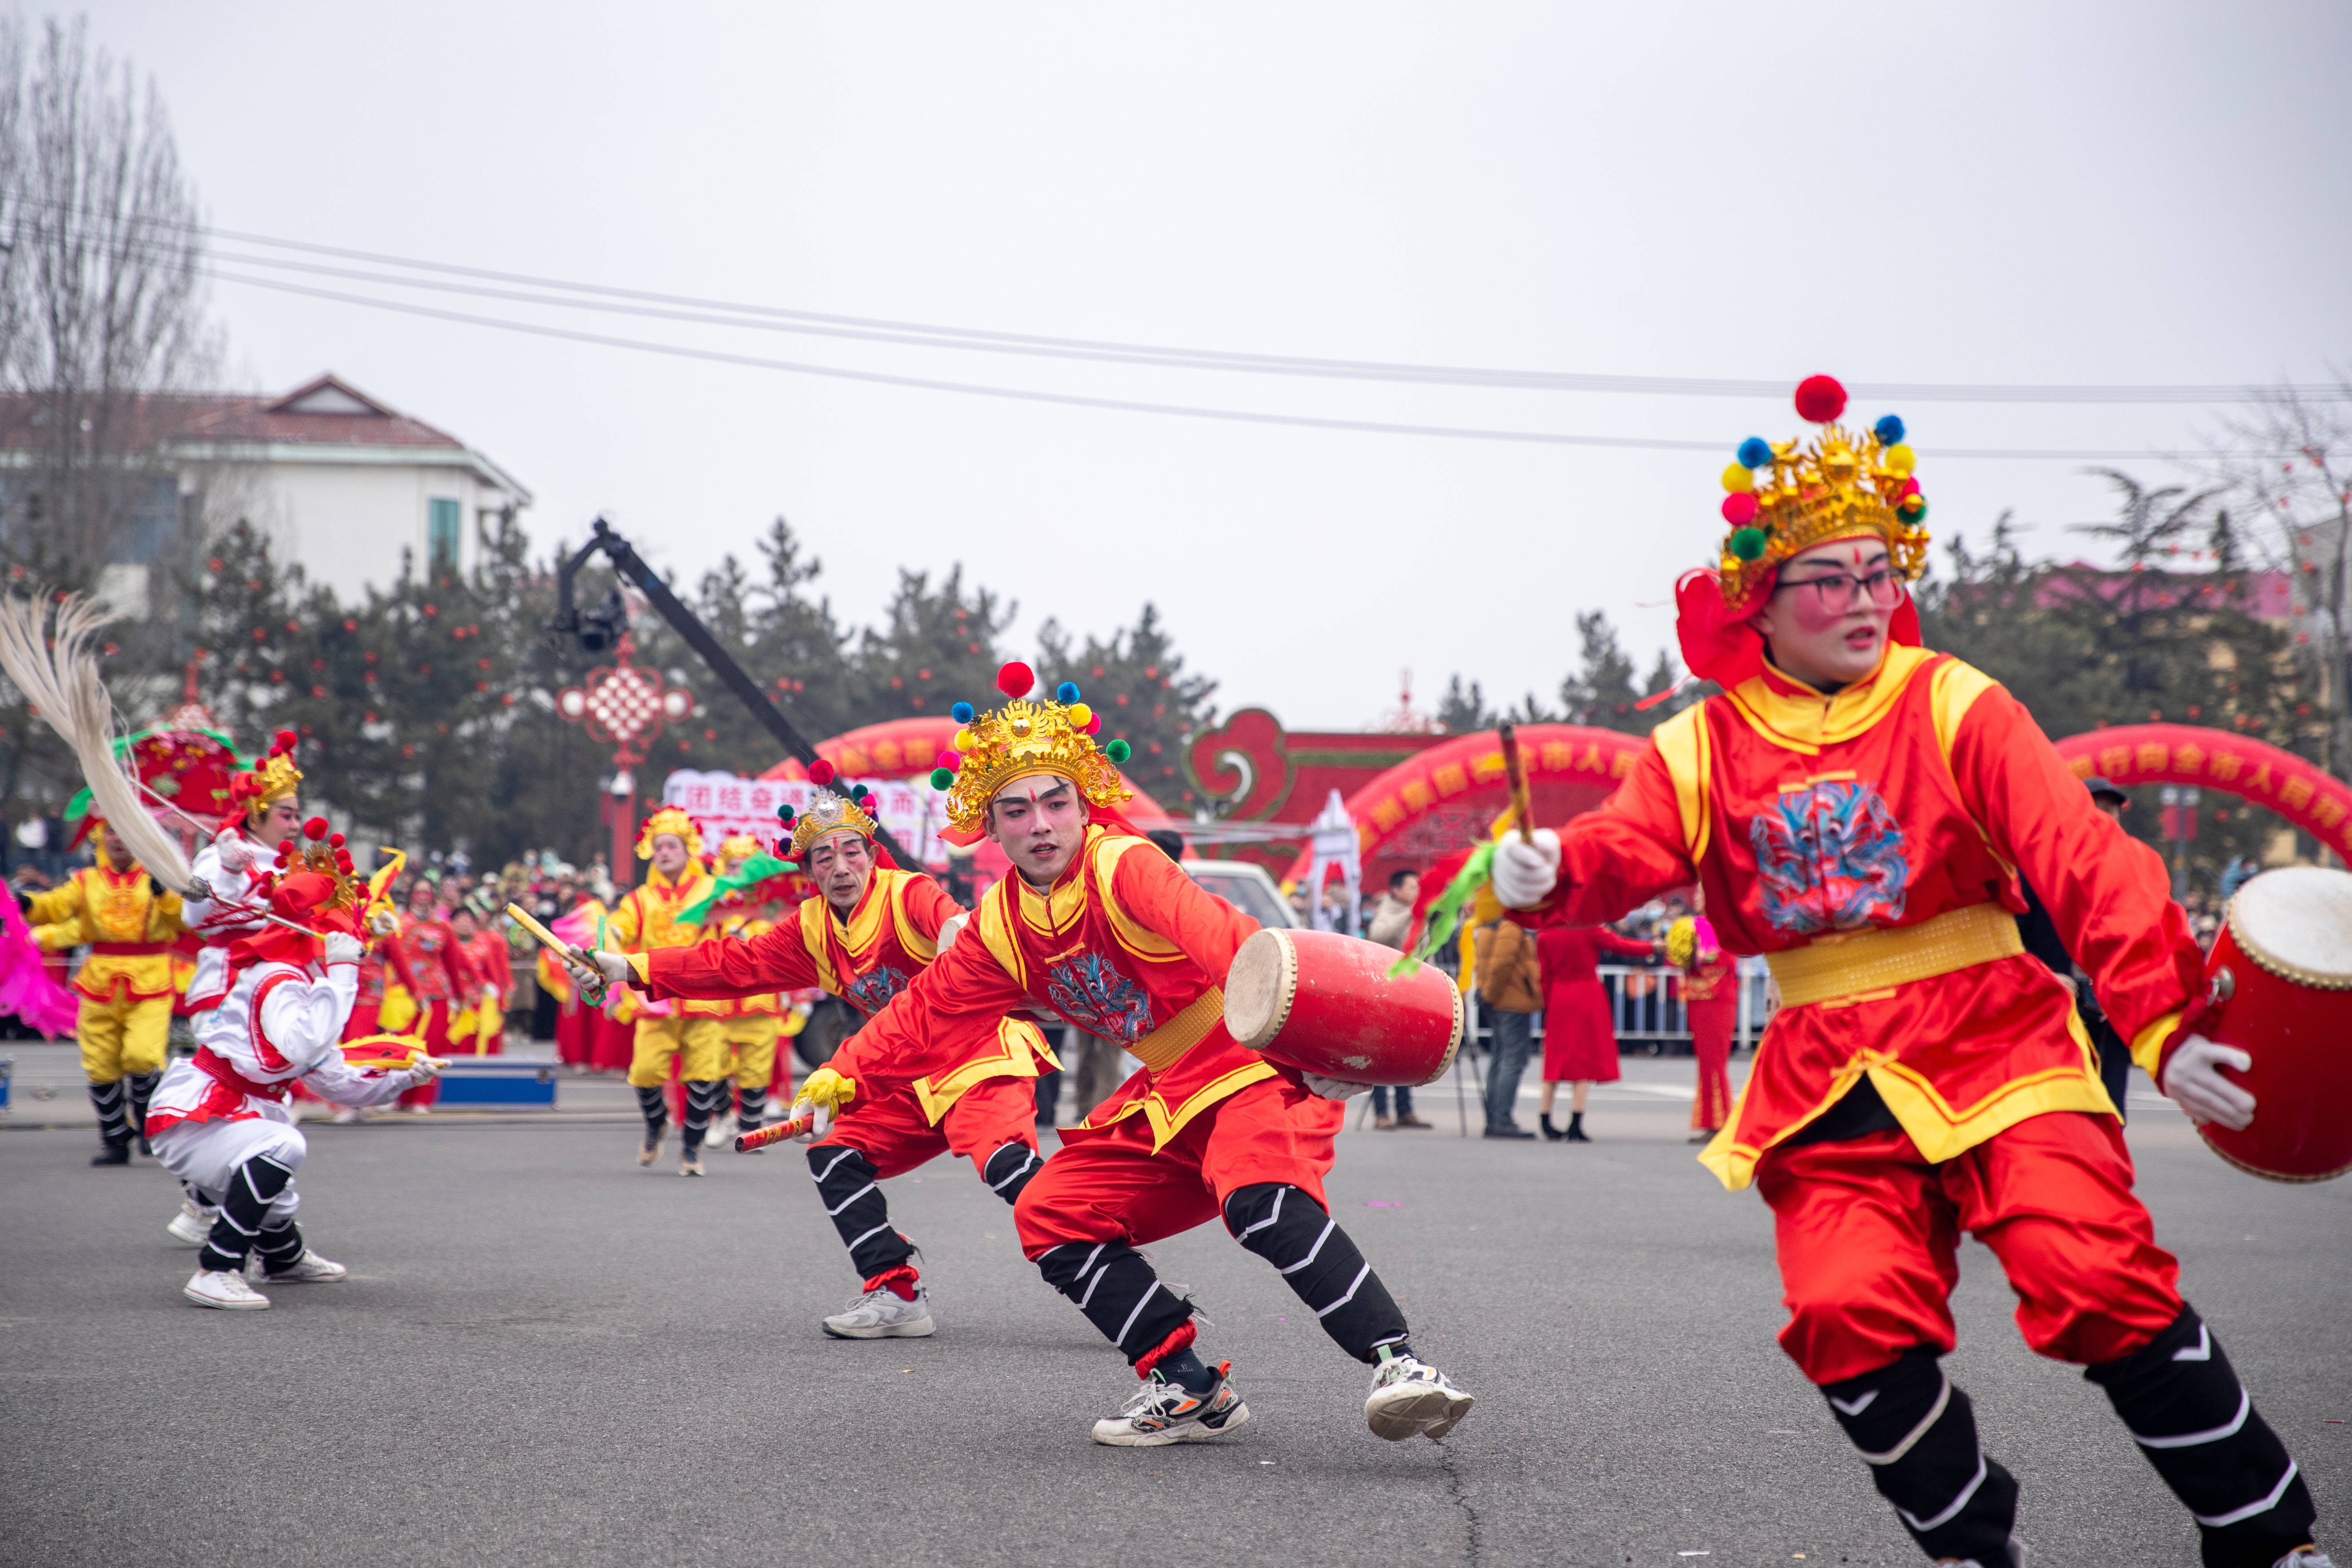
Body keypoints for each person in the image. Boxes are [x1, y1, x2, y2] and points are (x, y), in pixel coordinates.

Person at [1490, 377, 2326, 1568]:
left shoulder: (1953, 704)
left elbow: (2080, 855)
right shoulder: (1700, 747)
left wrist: (2162, 1020)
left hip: (1996, 1036)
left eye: (1877, 571)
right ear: (1758, 601)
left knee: (2089, 1273)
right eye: (1826, 576)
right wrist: (1547, 868)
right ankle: (1967, 1543)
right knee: (1841, 1314)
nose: (1861, 599)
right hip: (1825, 1075)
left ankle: (2264, 1537)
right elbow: (1618, 851)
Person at [829, 666, 1472, 1447]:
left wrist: (1308, 1033)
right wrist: (837, 1077)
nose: (1041, 824)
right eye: (1017, 809)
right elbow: (921, 1013)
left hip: (1246, 1060)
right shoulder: (998, 925)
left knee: (1257, 1198)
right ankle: (1188, 1386)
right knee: (1049, 1210)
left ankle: (1401, 1366)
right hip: (1169, 1086)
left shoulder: (1124, 865)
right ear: (990, 828)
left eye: (1056, 802)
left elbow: (1231, 945)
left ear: (1083, 805)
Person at [581, 767, 1054, 1336]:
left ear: (871, 855)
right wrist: (629, 968)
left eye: (851, 851)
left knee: (1008, 1168)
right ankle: (895, 1293)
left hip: (979, 1057)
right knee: (834, 1154)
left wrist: (959, 931)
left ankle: (1115, 1264)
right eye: (823, 858)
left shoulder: (907, 892)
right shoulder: (810, 928)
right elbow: (730, 964)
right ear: (807, 872)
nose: (840, 867)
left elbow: (949, 918)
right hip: (902, 1074)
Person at [146, 829, 443, 1309]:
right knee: (282, 1146)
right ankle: (216, 1267)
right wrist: (344, 976)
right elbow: (307, 1044)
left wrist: (405, 1077)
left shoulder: (301, 978)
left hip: (234, 1113)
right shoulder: (279, 978)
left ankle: (281, 1257)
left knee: (279, 1190)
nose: (362, 949)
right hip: (198, 1116)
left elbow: (334, 1078)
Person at [26, 815, 186, 1165]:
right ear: (102, 836)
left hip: (151, 979)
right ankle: (115, 1140)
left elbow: (184, 922)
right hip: (100, 980)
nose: (119, 839)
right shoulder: (87, 881)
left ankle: (148, 1124)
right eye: (112, 830)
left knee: (143, 1056)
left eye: (126, 830)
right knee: (100, 1065)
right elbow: (55, 907)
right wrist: (27, 905)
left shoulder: (159, 878)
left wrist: (166, 897)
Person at [599, 808, 726, 1174]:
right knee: (644, 1071)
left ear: (688, 851)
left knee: (702, 1075)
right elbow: (620, 927)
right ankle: (656, 1123)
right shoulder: (640, 898)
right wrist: (612, 940)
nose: (664, 852)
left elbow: (735, 923)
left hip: (703, 995)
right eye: (658, 847)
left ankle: (691, 1151)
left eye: (672, 845)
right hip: (655, 996)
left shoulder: (712, 889)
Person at [2017, 777, 2135, 1120]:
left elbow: (2146, 945)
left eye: (2111, 811)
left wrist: (2128, 990)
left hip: (2110, 1013)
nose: (2104, 819)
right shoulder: (2034, 870)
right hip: (2051, 1008)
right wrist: (2044, 976)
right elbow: (2007, 938)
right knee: (2058, 1116)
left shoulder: (2131, 874)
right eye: (2095, 810)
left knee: (2111, 1112)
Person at [1534, 921, 1653, 1141]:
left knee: (1554, 1058)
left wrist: (1548, 1003)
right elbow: (1620, 945)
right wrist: (1653, 947)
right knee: (1582, 1058)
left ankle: (1545, 1118)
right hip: (1587, 994)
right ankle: (1576, 1122)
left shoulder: (1545, 934)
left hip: (1559, 995)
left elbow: (1545, 974)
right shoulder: (1588, 928)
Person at [389, 877, 480, 1115]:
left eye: (427, 893)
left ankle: (423, 1099)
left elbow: (454, 963)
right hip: (404, 997)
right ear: (411, 896)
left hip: (436, 996)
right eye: (418, 892)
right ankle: (399, 1096)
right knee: (402, 1047)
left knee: (431, 1049)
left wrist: (461, 995)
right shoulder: (397, 924)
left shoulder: (442, 927)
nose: (422, 897)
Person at [1363, 868, 1432, 1128]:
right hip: (1388, 993)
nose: (1417, 892)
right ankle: (1382, 1113)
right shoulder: (1387, 910)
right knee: (1382, 1054)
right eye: (1413, 887)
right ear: (1397, 890)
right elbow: (1379, 936)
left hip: (1415, 991)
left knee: (1407, 1053)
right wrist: (1410, 915)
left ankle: (1405, 1110)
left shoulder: (1418, 913)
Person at [1470, 917, 1540, 1139]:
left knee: (1500, 1059)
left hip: (1501, 1001)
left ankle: (1495, 1118)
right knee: (1512, 1060)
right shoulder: (1510, 925)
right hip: (1512, 1001)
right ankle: (1501, 1119)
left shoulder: (1488, 925)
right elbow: (1502, 964)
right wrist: (1491, 994)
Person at [1669, 909, 1736, 1142]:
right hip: (1699, 1001)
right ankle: (1713, 1121)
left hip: (1716, 1001)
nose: (1698, 896)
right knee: (1707, 1062)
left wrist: (1698, 955)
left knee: (1714, 1062)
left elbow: (1725, 961)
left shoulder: (1724, 924)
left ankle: (1721, 1122)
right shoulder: (1698, 925)